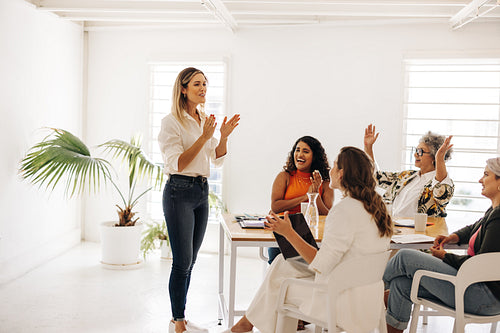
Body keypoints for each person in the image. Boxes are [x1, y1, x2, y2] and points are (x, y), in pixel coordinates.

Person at [223, 146, 393, 333]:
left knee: (280, 287)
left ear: (342, 174)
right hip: (367, 297)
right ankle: (245, 325)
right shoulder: (378, 209)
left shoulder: (344, 210)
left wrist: (289, 233)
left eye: (335, 166)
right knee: (282, 262)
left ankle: (245, 326)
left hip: (339, 301)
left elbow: (321, 264)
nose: (331, 170)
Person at [158, 67, 240, 333]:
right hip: (178, 191)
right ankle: (178, 322)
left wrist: (223, 136)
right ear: (183, 89)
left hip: (200, 193)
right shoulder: (172, 121)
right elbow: (178, 162)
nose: (203, 89)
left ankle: (178, 318)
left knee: (190, 261)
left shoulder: (202, 117)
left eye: (205, 84)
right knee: (181, 262)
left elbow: (215, 158)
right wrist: (204, 137)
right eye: (197, 84)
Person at [383, 157, 500, 333]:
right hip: (473, 289)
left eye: (486, 175)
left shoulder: (498, 218)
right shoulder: (493, 211)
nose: (480, 179)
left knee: (404, 256)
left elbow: (480, 266)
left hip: (482, 297)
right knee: (401, 285)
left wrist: (445, 256)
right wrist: (452, 237)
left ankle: (368, 295)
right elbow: (473, 228)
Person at [267, 136, 334, 264]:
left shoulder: (325, 182)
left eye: (306, 151)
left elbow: (327, 214)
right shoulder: (285, 176)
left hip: (312, 233)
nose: (300, 154)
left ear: (314, 156)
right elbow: (275, 206)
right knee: (280, 263)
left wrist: (314, 195)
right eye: (297, 150)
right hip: (283, 229)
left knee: (309, 266)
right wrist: (305, 197)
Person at [364, 124, 454, 217]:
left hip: (422, 231)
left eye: (420, 151)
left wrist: (440, 159)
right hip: (395, 228)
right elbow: (377, 177)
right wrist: (368, 147)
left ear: (434, 156)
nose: (415, 154)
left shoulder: (440, 183)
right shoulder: (407, 176)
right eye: (416, 150)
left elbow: (442, 193)